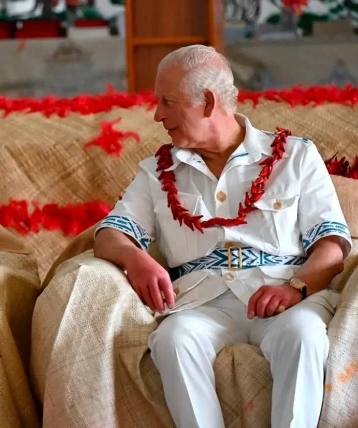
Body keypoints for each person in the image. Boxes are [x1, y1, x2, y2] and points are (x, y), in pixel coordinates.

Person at [94, 45, 351, 428]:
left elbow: (332, 246)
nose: (157, 114)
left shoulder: (295, 157)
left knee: (303, 336)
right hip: (202, 304)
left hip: (284, 298)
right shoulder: (157, 171)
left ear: (208, 101)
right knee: (173, 340)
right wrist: (137, 259)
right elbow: (108, 235)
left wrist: (295, 288)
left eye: (167, 101)